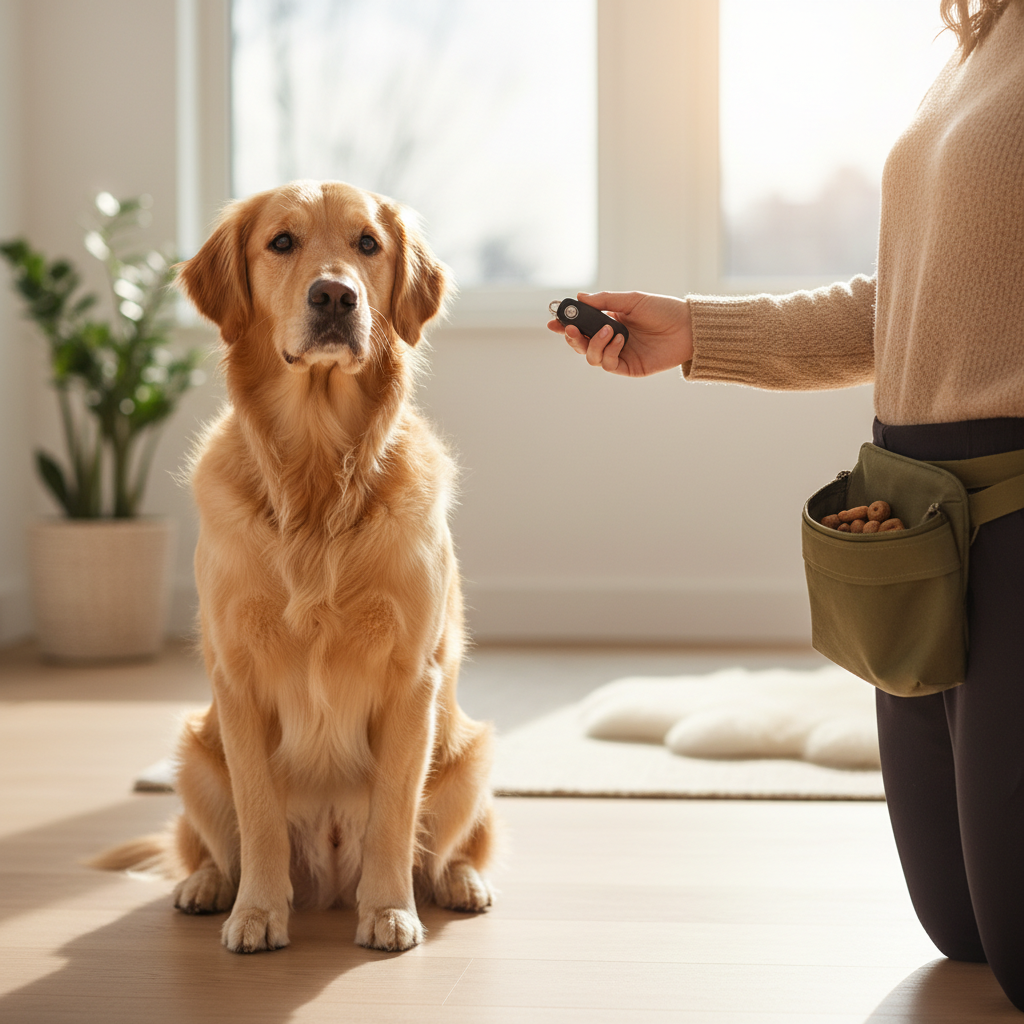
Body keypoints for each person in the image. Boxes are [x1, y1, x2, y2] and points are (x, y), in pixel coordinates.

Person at [548, 0, 1024, 1012]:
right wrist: (695, 333)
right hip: (912, 518)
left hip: (1015, 509)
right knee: (960, 929)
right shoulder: (979, 40)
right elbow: (895, 299)